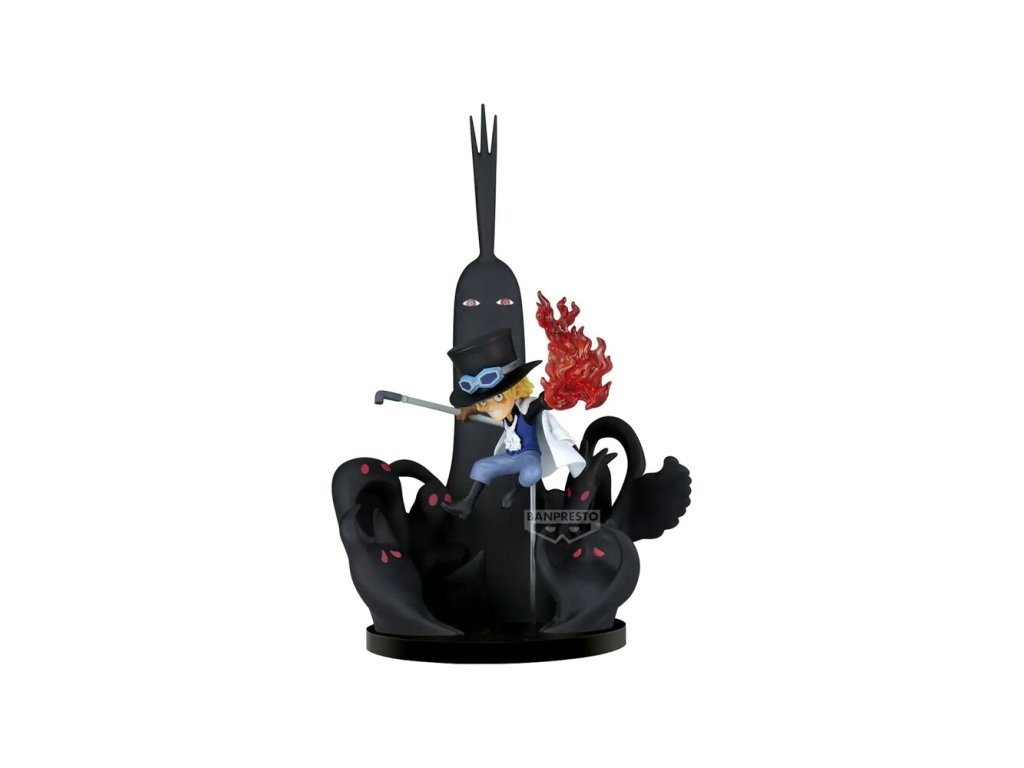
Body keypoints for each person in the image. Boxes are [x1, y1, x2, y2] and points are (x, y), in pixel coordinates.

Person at [442, 328, 585, 519]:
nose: (490, 407)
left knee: (532, 472)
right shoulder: (501, 410)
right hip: (510, 456)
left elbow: (542, 403)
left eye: (498, 397)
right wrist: (470, 410)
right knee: (481, 467)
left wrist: (556, 392)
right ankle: (467, 504)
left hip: (528, 456)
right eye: (484, 402)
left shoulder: (527, 409)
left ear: (517, 390)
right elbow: (480, 407)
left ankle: (515, 489)